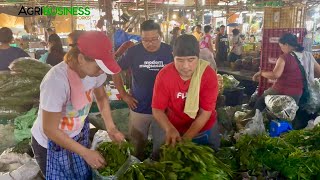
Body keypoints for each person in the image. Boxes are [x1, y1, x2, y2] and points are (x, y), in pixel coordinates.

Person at [31, 31, 125, 179]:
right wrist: (85, 152)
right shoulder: (56, 81)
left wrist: (111, 128)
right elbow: (49, 129)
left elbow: (101, 98)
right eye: (99, 67)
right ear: (81, 59)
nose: (102, 72)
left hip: (76, 135)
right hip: (50, 143)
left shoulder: (96, 73)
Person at [112, 20, 173, 160]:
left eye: (154, 39)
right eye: (145, 40)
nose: (150, 43)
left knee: (162, 146)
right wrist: (124, 94)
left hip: (165, 110)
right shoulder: (133, 51)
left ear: (161, 36)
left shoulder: (170, 51)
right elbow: (115, 70)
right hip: (139, 107)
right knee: (137, 144)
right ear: (140, 38)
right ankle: (136, 167)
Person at [152, 34, 220, 159]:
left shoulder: (208, 75)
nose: (186, 66)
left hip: (203, 126)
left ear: (198, 57)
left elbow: (205, 112)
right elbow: (157, 109)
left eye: (191, 60)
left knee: (209, 159)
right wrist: (169, 129)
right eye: (180, 60)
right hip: (173, 124)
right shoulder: (164, 75)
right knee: (162, 158)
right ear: (173, 56)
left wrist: (186, 139)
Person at [252, 33, 320, 112]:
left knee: (261, 102)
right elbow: (318, 72)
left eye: (281, 46)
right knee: (288, 115)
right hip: (297, 93)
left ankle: (254, 121)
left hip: (280, 90)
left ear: (286, 44)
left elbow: (275, 75)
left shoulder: (285, 57)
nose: (281, 49)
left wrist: (261, 73)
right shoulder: (308, 56)